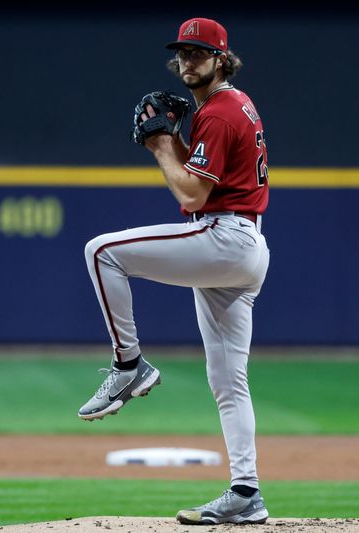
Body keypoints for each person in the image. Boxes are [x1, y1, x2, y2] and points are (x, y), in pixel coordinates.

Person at [79, 17, 271, 525]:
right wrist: (174, 142)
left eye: (199, 53)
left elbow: (190, 194)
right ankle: (246, 493)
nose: (188, 61)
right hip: (243, 244)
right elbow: (198, 181)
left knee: (102, 252)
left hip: (225, 236)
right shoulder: (231, 105)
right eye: (183, 53)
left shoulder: (222, 111)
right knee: (229, 383)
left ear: (221, 59)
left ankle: (129, 366)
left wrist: (160, 143)